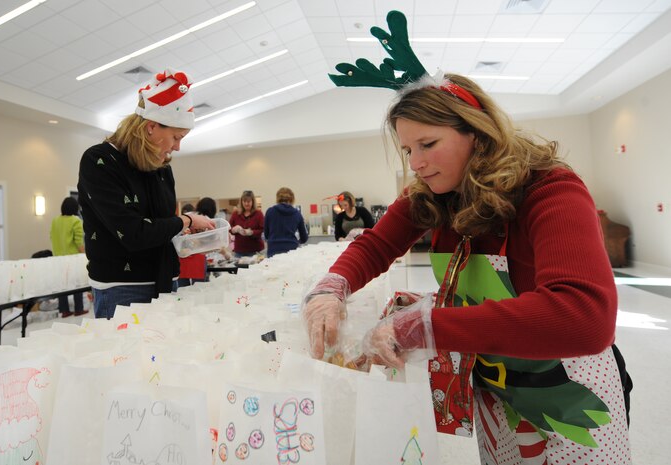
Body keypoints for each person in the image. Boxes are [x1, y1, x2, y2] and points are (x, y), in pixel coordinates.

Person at [303, 11, 630, 464]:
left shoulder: (549, 188)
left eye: (428, 144)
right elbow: (375, 245)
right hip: (496, 389)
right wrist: (330, 287)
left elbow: (584, 317)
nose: (415, 162)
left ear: (476, 134)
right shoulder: (434, 195)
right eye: (407, 149)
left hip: (568, 391)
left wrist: (427, 325)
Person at [78, 69, 215, 319]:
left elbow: (160, 226)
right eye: (176, 137)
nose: (177, 146)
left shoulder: (162, 169)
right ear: (151, 127)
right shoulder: (100, 161)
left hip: (166, 282)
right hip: (122, 289)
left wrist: (187, 234)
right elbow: (132, 233)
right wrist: (186, 220)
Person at [49, 196, 88, 318]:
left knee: (62, 285)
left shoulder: (55, 220)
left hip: (57, 258)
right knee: (77, 284)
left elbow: (51, 237)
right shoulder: (75, 221)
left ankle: (64, 310)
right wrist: (86, 255)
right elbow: (79, 242)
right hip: (73, 258)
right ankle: (78, 309)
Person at [178, 197, 217, 287]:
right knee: (199, 288)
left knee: (182, 289)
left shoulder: (188, 215)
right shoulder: (207, 220)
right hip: (198, 255)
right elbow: (211, 241)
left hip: (183, 255)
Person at [264, 187, 308, 258]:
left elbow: (266, 235)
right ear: (292, 199)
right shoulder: (297, 214)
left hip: (273, 250)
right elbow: (304, 238)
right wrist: (296, 242)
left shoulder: (270, 212)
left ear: (278, 198)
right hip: (291, 250)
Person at [229, 190, 265, 257]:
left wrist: (251, 232)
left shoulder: (259, 214)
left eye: (248, 201)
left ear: (253, 202)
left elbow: (262, 229)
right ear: (241, 202)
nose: (246, 204)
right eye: (244, 201)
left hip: (255, 250)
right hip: (239, 251)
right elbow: (229, 228)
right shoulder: (235, 214)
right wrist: (233, 230)